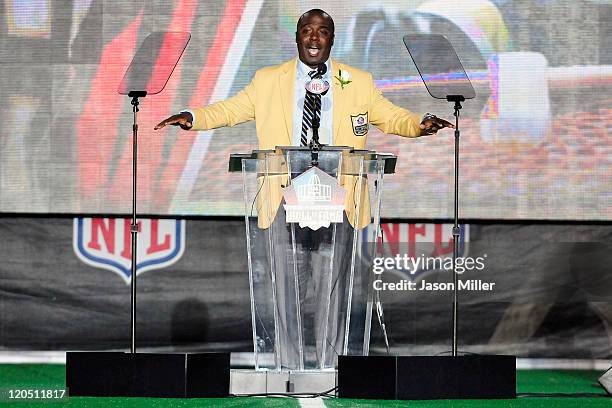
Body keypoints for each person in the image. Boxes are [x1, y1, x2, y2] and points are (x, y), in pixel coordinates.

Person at [154, 8, 453, 144]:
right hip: (284, 189)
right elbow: (229, 110)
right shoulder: (268, 80)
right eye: (306, 32)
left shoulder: (358, 81)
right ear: (297, 38)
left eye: (322, 32)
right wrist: (192, 116)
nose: (313, 39)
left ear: (332, 40)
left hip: (341, 190)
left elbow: (392, 117)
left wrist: (419, 124)